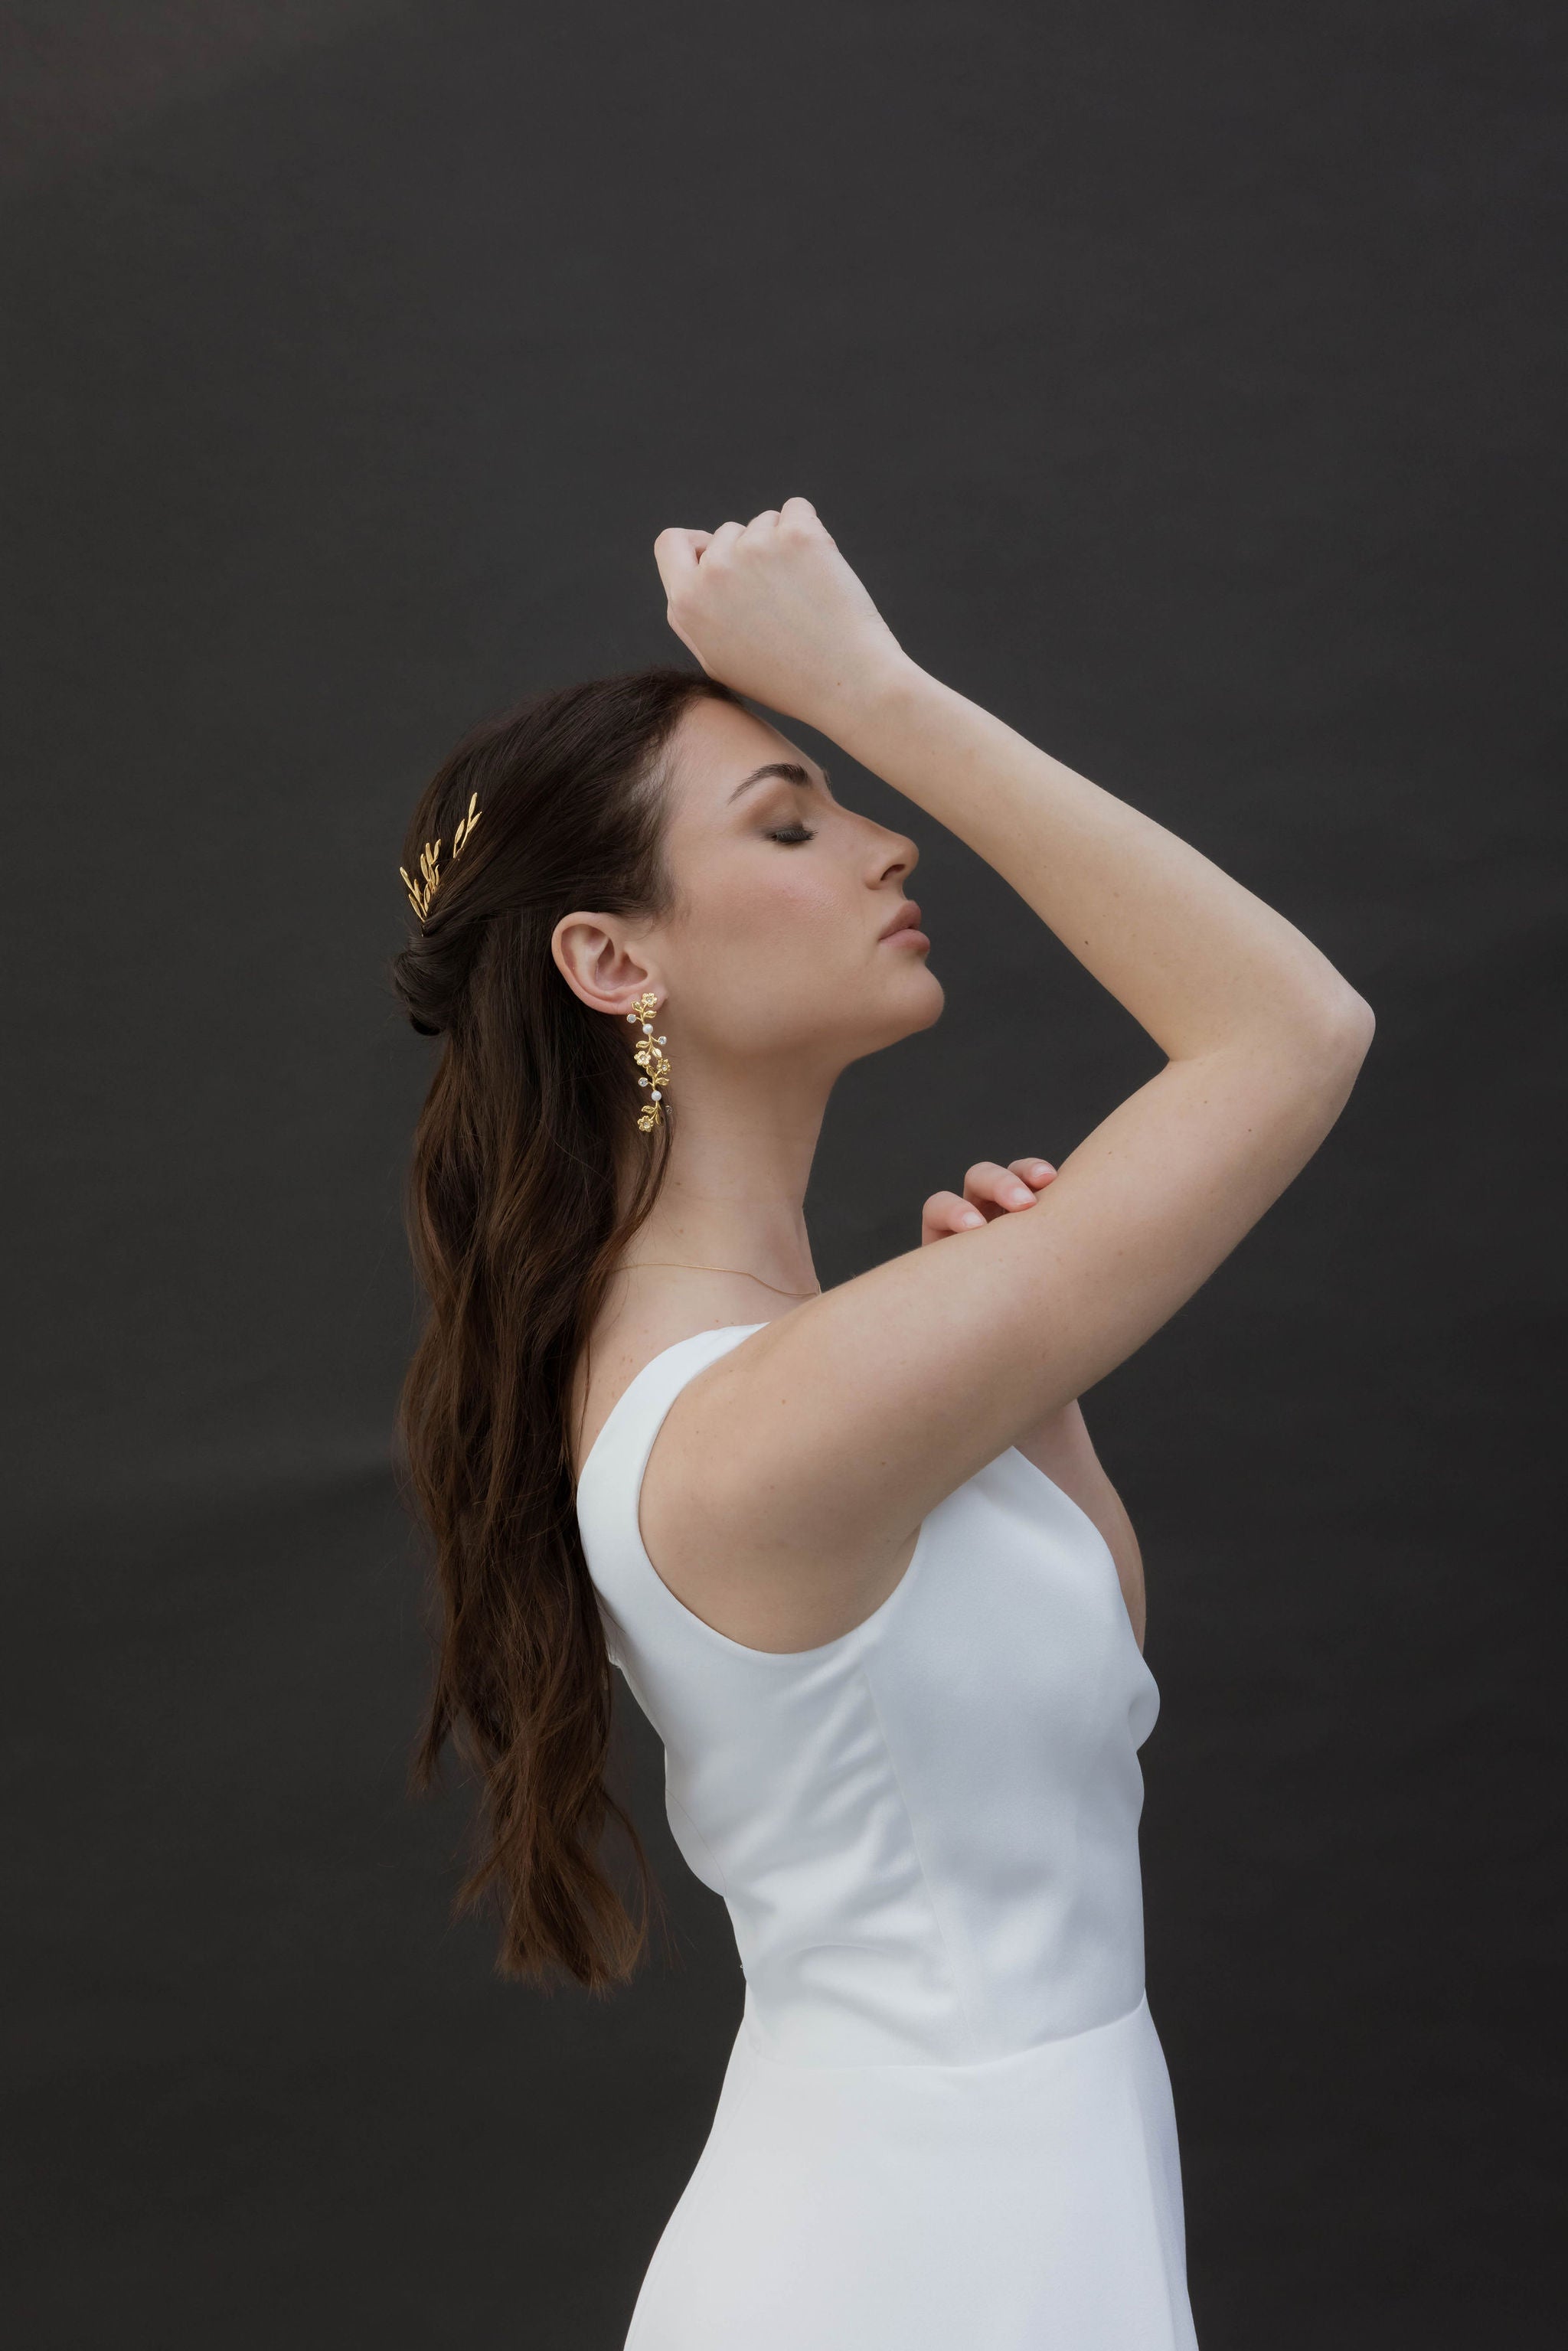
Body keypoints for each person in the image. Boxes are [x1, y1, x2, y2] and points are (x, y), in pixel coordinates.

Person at [390, 498, 1374, 2349]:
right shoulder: (765, 1418)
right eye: (792, 817)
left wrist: (1042, 1432)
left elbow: (1048, 1771)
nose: (881, 838)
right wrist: (872, 685)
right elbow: (1289, 1029)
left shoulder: (817, 1371)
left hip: (1022, 2219)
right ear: (614, 966)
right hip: (911, 2266)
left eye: (842, 786)